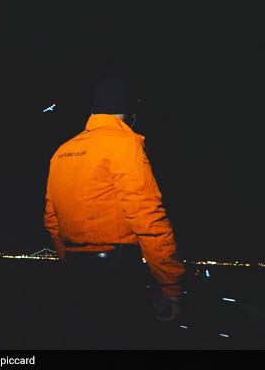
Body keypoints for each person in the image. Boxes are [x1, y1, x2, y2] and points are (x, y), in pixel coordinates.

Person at [43, 74, 185, 348]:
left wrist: (70, 259)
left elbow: (51, 219)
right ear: (130, 112)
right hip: (117, 271)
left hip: (74, 271)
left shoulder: (63, 151)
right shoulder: (124, 143)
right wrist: (171, 284)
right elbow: (147, 217)